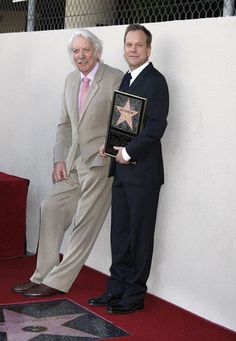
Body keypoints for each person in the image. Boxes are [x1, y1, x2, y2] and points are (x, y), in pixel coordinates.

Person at [12, 29, 123, 297]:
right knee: (50, 207)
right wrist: (59, 159)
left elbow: (122, 121)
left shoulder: (114, 78)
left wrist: (108, 147)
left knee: (85, 223)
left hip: (99, 163)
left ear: (96, 52)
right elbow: (64, 123)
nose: (81, 55)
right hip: (72, 162)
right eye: (76, 51)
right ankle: (41, 276)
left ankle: (57, 282)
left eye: (86, 50)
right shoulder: (71, 80)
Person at [88, 24, 169, 314]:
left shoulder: (155, 81)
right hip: (122, 171)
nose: (132, 49)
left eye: (138, 45)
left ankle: (134, 294)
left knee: (139, 235)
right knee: (120, 233)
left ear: (148, 49)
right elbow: (123, 124)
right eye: (128, 44)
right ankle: (117, 287)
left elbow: (156, 126)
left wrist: (128, 151)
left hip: (143, 175)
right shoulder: (128, 78)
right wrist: (110, 147)